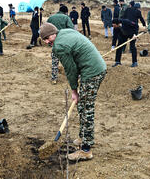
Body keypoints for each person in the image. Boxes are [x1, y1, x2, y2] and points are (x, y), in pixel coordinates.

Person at [40, 23, 107, 161]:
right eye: (44, 40)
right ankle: (83, 137)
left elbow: (71, 70)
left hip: (92, 72)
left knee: (87, 109)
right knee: (82, 106)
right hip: (95, 68)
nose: (47, 42)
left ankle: (86, 150)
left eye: (48, 38)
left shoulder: (59, 46)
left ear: (54, 33)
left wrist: (74, 90)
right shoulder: (65, 32)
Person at [47, 5, 74, 84]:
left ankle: (54, 78)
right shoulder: (66, 18)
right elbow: (71, 30)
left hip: (54, 44)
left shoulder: (51, 18)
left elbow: (45, 29)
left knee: (55, 62)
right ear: (66, 12)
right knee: (69, 62)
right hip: (65, 44)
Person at [116, 1, 146, 67]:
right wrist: (144, 25)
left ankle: (117, 61)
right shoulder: (138, 11)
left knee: (120, 46)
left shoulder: (127, 9)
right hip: (132, 32)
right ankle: (134, 62)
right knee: (132, 47)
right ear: (138, 8)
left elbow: (122, 18)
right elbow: (141, 19)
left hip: (124, 30)